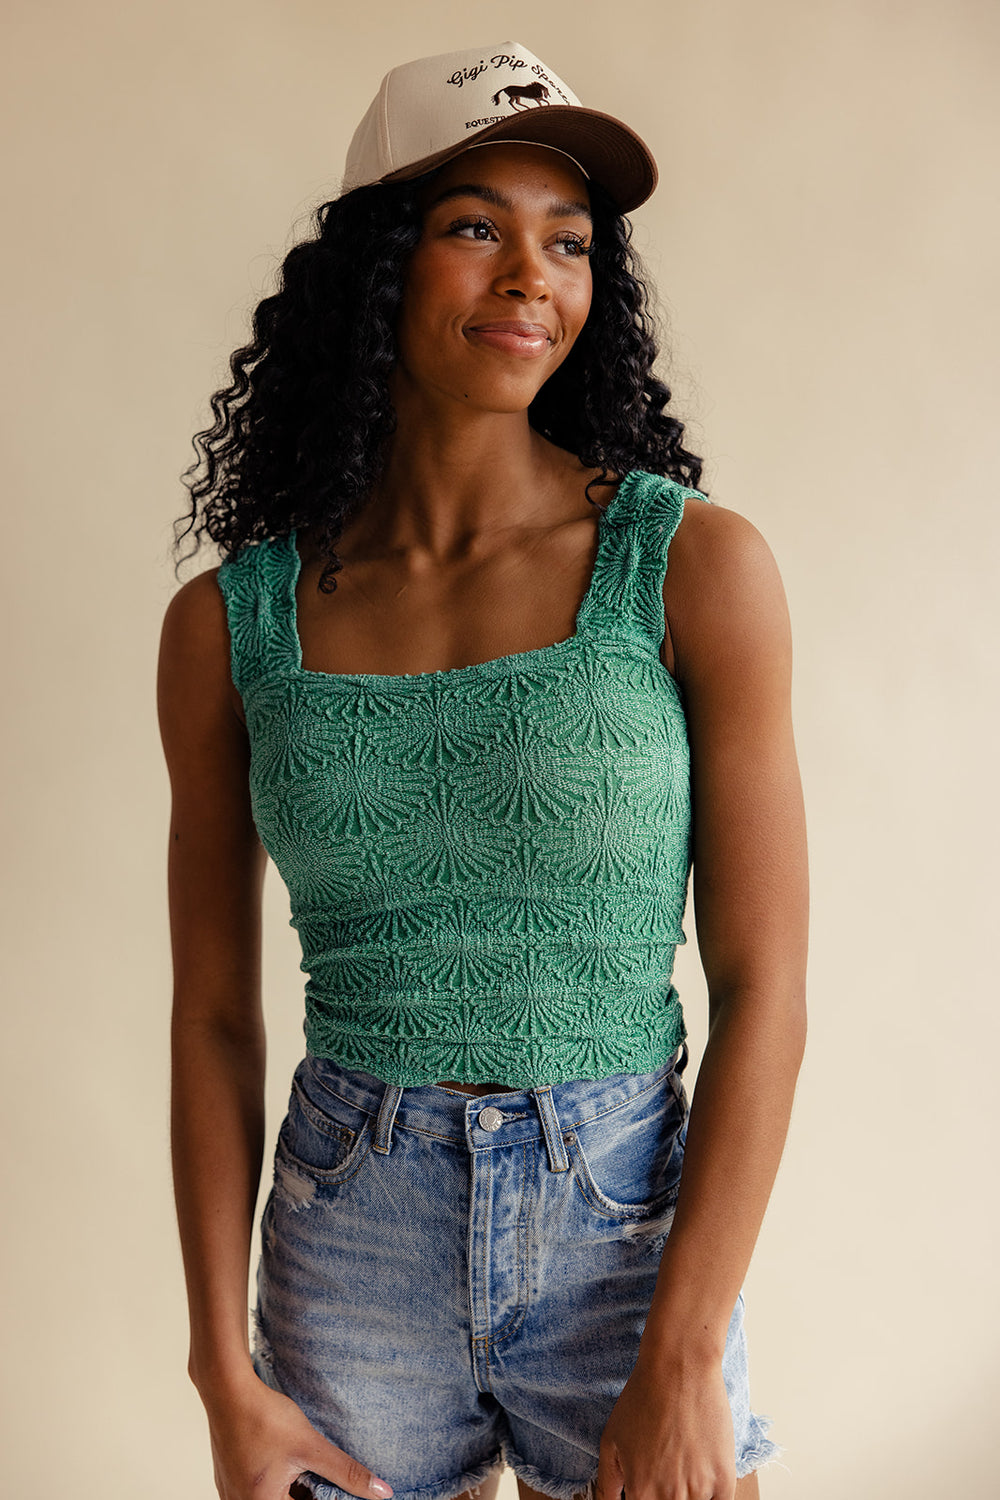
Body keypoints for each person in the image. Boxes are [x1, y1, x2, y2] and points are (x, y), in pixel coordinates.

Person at [158, 40, 808, 1500]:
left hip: (627, 1229)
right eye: (474, 228)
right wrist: (221, 1375)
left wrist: (687, 1351)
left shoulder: (690, 568)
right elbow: (211, 1015)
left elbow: (766, 985)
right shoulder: (233, 624)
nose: (532, 277)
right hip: (349, 1231)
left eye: (569, 243)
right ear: (373, 271)